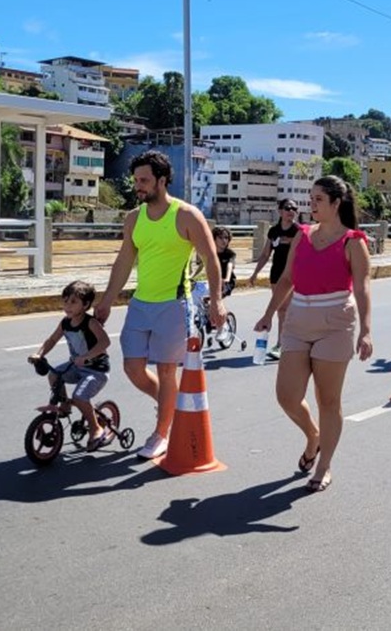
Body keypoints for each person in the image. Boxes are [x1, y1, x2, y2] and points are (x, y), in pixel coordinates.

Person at [94, 150, 226, 461]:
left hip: (174, 305)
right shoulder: (134, 218)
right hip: (141, 304)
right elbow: (124, 261)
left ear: (162, 180)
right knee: (132, 367)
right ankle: (171, 405)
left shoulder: (186, 215)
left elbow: (211, 259)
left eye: (144, 180)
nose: (137, 186)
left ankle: (161, 433)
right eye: (136, 180)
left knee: (167, 370)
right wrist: (107, 300)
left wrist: (217, 301)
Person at [254, 175, 372, 493]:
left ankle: (324, 465)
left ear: (336, 203)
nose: (312, 204)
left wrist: (366, 331)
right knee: (287, 396)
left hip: (335, 324)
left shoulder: (353, 241)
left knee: (328, 400)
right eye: (311, 198)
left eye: (318, 199)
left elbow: (362, 288)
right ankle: (313, 436)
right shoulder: (302, 235)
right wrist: (268, 314)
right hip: (298, 320)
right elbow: (287, 279)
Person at [29, 281, 115, 450]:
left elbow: (105, 342)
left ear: (86, 305)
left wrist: (86, 357)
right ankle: (65, 404)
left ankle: (96, 428)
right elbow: (52, 340)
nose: (68, 306)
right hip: (76, 366)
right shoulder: (65, 323)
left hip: (96, 370)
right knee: (54, 374)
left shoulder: (90, 323)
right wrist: (39, 354)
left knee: (80, 397)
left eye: (73, 302)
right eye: (66, 301)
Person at [249, 199, 300, 359]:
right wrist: (255, 273)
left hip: (293, 274)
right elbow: (266, 254)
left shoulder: (299, 231)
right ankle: (285, 343)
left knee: (285, 309)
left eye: (294, 208)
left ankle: (282, 343)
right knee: (281, 310)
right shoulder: (274, 231)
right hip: (277, 274)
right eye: (287, 208)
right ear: (280, 211)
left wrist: (291, 242)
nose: (291, 211)